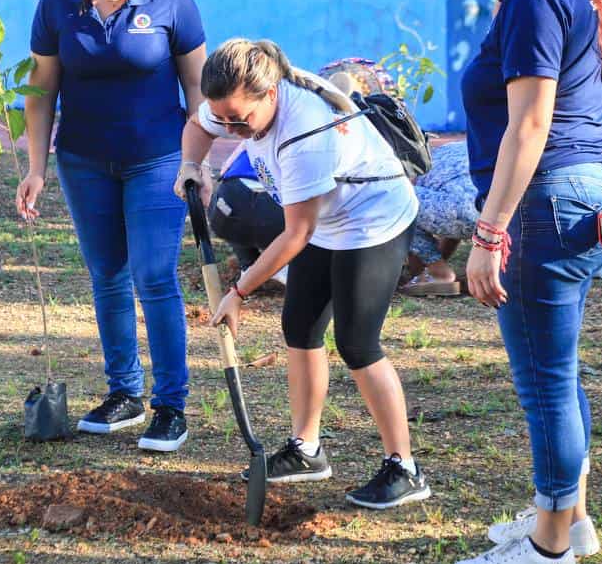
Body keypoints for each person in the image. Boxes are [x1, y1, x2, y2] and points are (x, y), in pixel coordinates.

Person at [434, 0, 602, 564]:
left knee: (545, 383)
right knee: (561, 371)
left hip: (548, 204)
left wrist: (490, 233)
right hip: (592, 195)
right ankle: (569, 515)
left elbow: (531, 123)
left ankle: (549, 551)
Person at [179, 38, 431, 511]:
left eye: (240, 120)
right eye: (226, 119)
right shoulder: (237, 104)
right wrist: (192, 166)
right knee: (300, 327)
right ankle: (306, 450)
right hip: (328, 221)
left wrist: (238, 291)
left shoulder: (305, 131)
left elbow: (296, 234)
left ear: (271, 93)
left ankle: (405, 467)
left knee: (358, 343)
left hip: (373, 220)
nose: (233, 129)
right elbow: (198, 125)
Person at [16, 0, 206, 453]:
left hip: (157, 158)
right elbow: (41, 89)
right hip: (83, 160)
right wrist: (36, 167)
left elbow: (197, 86)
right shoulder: (57, 2)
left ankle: (171, 405)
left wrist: (196, 158)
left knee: (153, 275)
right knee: (107, 274)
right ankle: (124, 391)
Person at [398, 140, 477, 297]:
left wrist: (419, 266)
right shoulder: (459, 146)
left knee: (392, 197)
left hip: (460, 209)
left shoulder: (413, 162)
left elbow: (453, 214)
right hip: (497, 212)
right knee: (449, 209)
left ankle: (438, 274)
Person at [207, 148, 287, 287]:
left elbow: (224, 171)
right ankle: (282, 265)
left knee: (227, 200)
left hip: (226, 213)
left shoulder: (250, 139)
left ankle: (248, 264)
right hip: (275, 216)